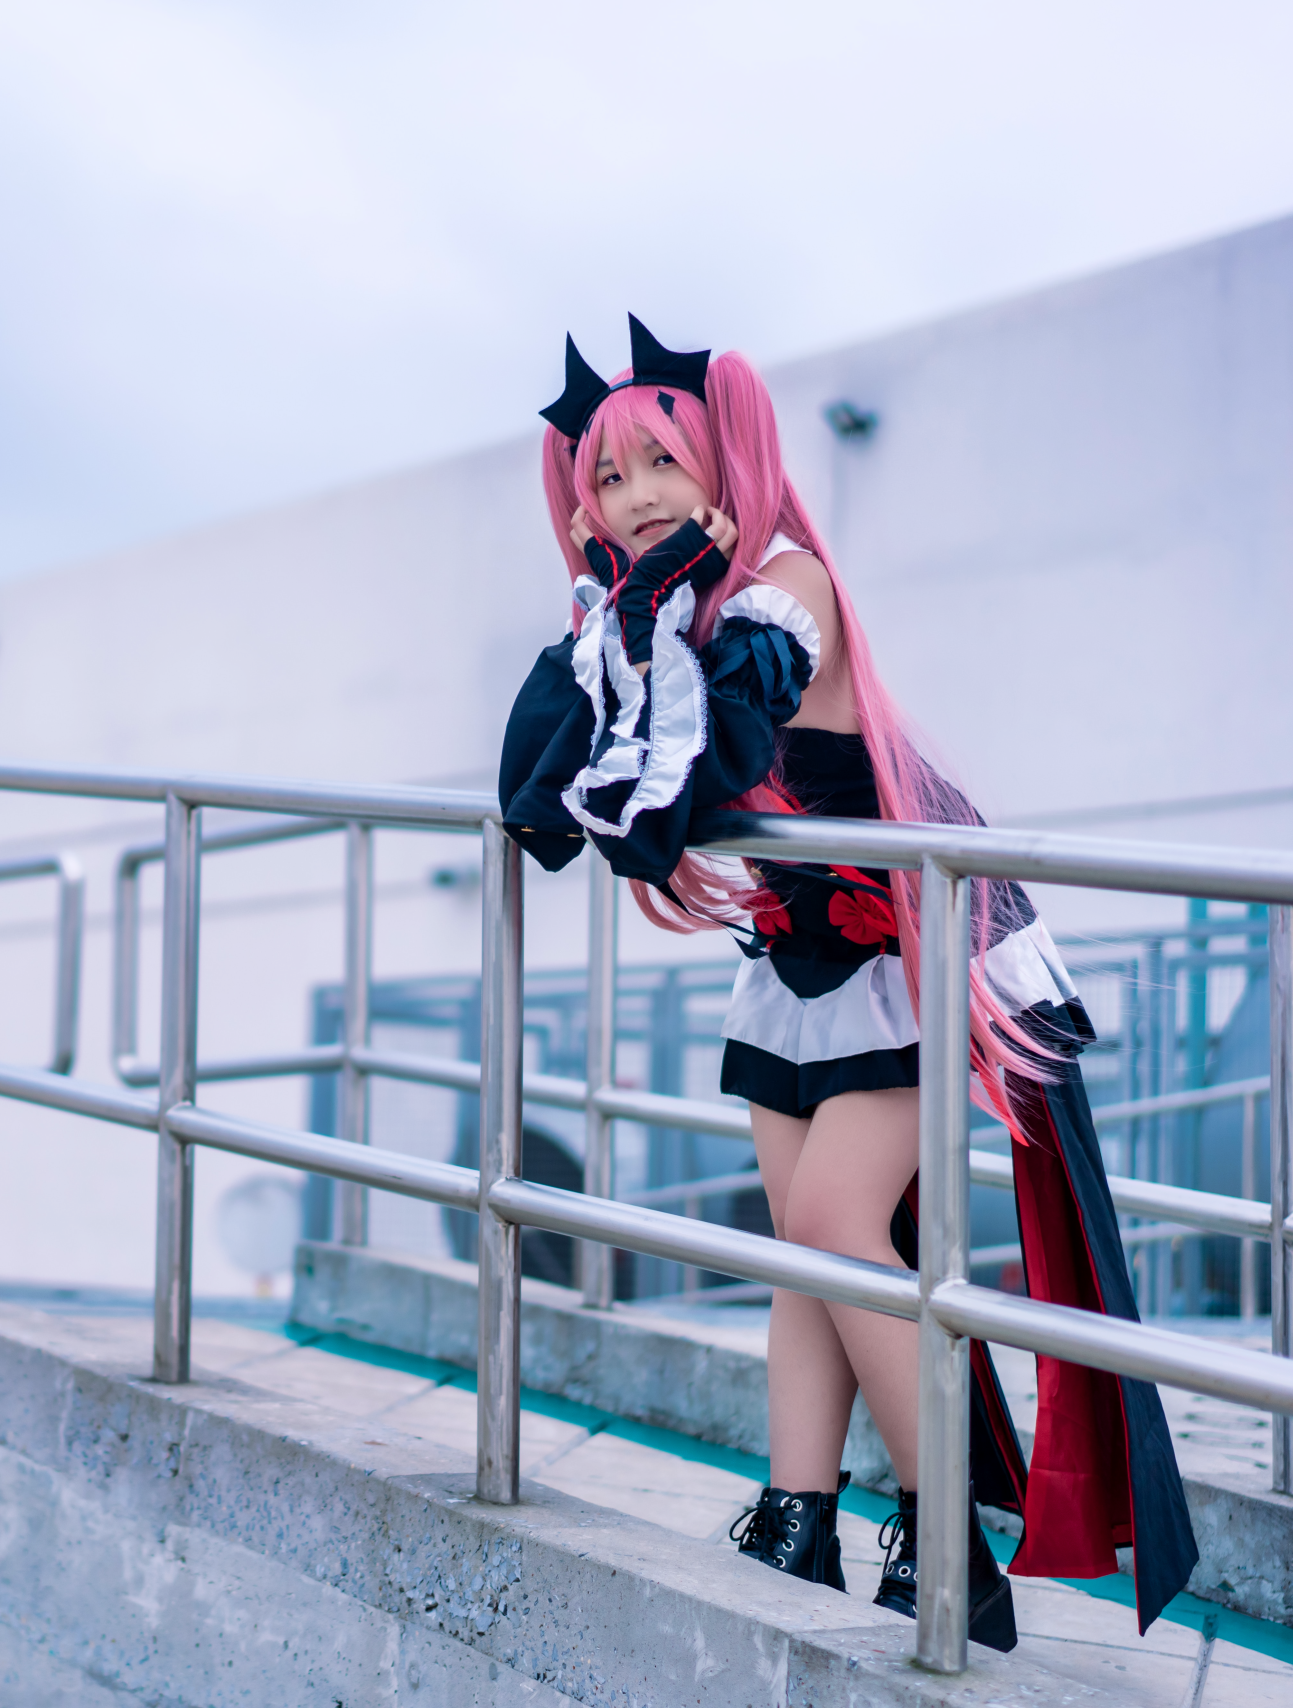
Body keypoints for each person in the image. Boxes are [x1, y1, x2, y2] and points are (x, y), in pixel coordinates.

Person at [499, 317, 1199, 1649]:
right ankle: (796, 1512)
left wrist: (646, 626)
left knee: (832, 1220)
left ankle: (950, 1535)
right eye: (607, 477)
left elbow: (721, 721)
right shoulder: (652, 612)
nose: (635, 496)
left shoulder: (784, 585)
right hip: (795, 956)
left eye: (661, 462)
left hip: (922, 950)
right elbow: (586, 755)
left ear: (723, 464)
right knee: (803, 1249)